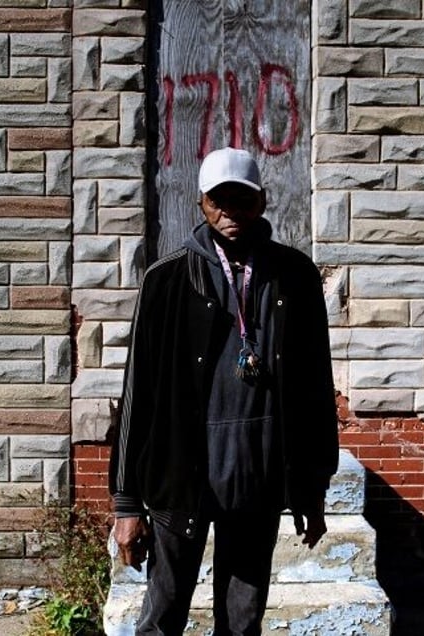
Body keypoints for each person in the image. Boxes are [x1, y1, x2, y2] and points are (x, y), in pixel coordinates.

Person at [109, 147, 339, 635]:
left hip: (257, 480)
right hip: (181, 480)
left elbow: (316, 388)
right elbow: (138, 397)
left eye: (242, 200)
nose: (230, 212)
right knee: (163, 615)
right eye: (219, 201)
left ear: (262, 202)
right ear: (201, 204)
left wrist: (312, 488)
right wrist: (127, 505)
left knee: (241, 621)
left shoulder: (294, 277)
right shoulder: (166, 280)